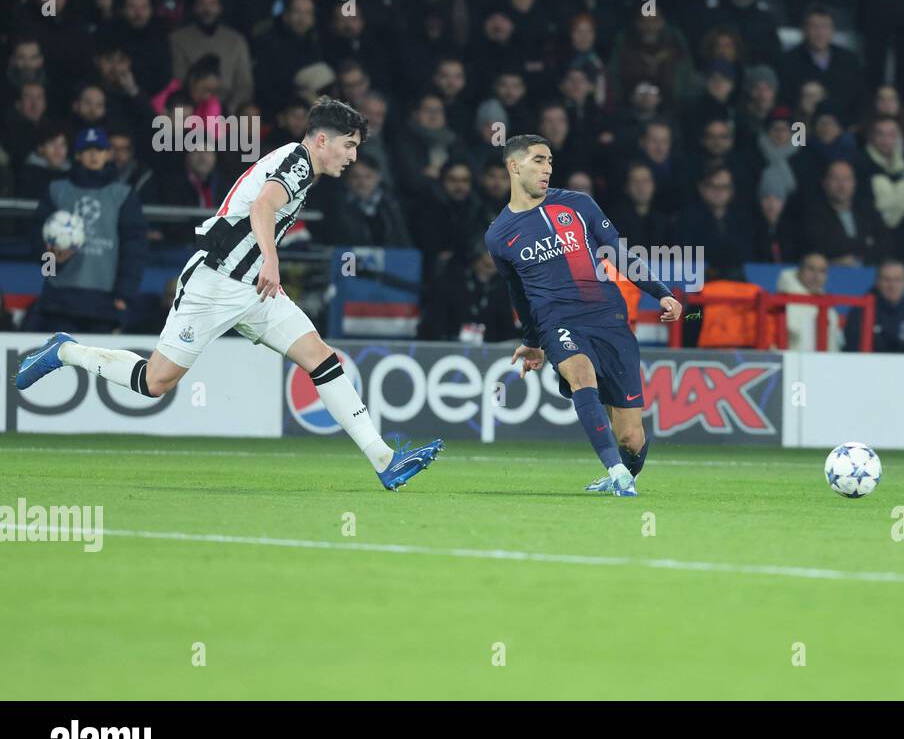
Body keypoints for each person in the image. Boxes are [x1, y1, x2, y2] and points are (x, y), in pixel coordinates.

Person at [14, 99, 442, 491]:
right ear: (323, 140)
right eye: (349, 146)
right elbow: (262, 208)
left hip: (254, 289)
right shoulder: (297, 161)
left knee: (321, 358)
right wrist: (272, 260)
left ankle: (384, 459)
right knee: (155, 382)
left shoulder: (300, 165)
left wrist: (265, 265)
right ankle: (65, 351)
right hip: (216, 283)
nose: (353, 156)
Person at [485, 134, 683, 498]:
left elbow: (619, 254)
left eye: (550, 162)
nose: (547, 169)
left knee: (631, 438)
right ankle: (616, 472)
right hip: (556, 321)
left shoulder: (578, 204)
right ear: (514, 167)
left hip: (607, 317)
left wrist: (662, 293)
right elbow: (518, 293)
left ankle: (623, 471)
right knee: (580, 373)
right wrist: (532, 341)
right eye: (539, 160)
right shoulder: (499, 235)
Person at [26, 127, 146, 334]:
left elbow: (134, 247)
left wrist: (124, 294)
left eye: (99, 149)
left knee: (98, 366)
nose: (93, 155)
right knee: (63, 364)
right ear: (78, 155)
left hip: (105, 300)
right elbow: (38, 241)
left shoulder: (123, 195)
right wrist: (53, 261)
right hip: (60, 298)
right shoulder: (56, 190)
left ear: (108, 154)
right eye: (87, 149)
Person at [842, 258, 904, 353]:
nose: (892, 286)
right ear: (877, 282)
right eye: (886, 280)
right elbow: (854, 351)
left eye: (897, 280)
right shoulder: (860, 312)